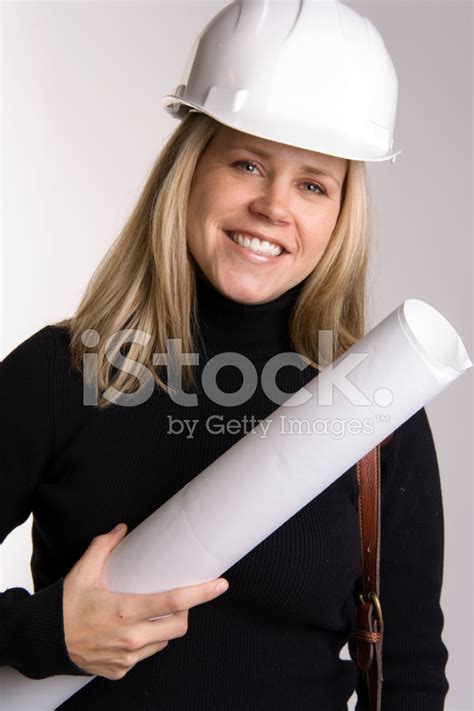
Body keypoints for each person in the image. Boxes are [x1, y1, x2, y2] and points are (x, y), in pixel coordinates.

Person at [0, 1, 449, 709]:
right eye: (247, 162)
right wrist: (39, 632)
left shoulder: (374, 409)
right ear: (191, 170)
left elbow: (412, 670)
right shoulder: (63, 373)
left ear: (338, 216)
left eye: (312, 183)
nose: (274, 206)